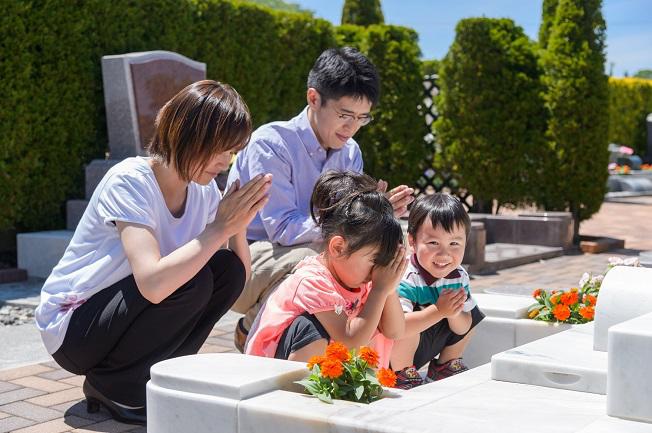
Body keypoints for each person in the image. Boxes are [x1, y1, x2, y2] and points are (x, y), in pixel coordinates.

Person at [34, 80, 272, 425]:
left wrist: (238, 226)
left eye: (232, 151)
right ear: (188, 134)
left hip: (120, 316)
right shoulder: (131, 180)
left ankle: (156, 377)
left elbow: (238, 281)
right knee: (193, 281)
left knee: (224, 271)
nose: (225, 161)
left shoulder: (203, 192)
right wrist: (218, 227)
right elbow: (152, 283)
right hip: (74, 328)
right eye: (220, 148)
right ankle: (114, 386)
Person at [227, 47, 414, 351]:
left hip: (308, 249)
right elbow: (284, 229)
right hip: (246, 261)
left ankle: (335, 338)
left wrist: (375, 216)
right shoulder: (272, 144)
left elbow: (345, 226)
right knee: (315, 258)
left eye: (362, 118)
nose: (351, 127)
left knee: (365, 252)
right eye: (344, 115)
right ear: (313, 98)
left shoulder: (350, 151)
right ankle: (252, 328)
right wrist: (358, 225)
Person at [245, 171, 406, 367]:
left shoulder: (364, 277)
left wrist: (388, 289)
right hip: (273, 375)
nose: (379, 270)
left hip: (328, 374)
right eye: (375, 260)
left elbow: (395, 331)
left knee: (373, 319)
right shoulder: (312, 281)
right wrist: (380, 290)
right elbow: (351, 339)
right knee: (309, 327)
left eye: (384, 261)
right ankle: (300, 395)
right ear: (338, 247)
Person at [390, 194, 485, 389]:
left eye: (454, 244)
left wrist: (453, 312)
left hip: (427, 337)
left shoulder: (458, 275)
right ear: (413, 241)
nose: (444, 254)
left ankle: (445, 365)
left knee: (471, 314)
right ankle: (401, 374)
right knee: (411, 319)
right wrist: (440, 311)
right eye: (433, 243)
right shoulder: (406, 276)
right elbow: (399, 328)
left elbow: (463, 327)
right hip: (393, 351)